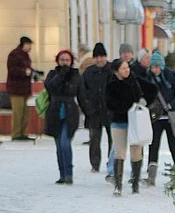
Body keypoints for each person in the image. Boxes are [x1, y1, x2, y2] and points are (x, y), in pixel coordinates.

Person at [105, 59, 158, 195]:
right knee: (120, 152)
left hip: (136, 122)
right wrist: (126, 107)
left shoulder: (135, 80)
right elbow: (110, 104)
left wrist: (144, 101)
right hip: (119, 121)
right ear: (116, 71)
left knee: (136, 152)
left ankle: (135, 183)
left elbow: (153, 89)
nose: (127, 70)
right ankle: (118, 185)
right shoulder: (111, 84)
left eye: (127, 67)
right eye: (123, 68)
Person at [44, 49, 92, 184]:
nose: (65, 62)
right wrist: (61, 75)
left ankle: (69, 173)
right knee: (59, 145)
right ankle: (62, 174)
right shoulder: (52, 74)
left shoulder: (76, 75)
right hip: (55, 111)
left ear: (71, 61)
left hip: (70, 112)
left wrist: (89, 114)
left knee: (65, 142)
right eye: (62, 60)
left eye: (67, 60)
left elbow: (82, 96)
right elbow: (50, 87)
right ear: (58, 61)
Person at [146, 51, 175, 185]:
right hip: (155, 117)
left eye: (157, 67)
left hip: (170, 116)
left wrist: (171, 104)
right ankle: (151, 176)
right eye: (152, 67)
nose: (154, 70)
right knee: (154, 145)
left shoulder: (170, 76)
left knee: (172, 146)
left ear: (162, 66)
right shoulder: (148, 77)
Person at [82, 42, 113, 173]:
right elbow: (83, 93)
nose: (99, 59)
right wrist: (87, 108)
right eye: (97, 57)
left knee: (113, 139)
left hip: (110, 111)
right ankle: (95, 164)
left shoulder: (112, 70)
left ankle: (112, 163)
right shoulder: (88, 72)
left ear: (106, 56)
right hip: (94, 112)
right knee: (94, 139)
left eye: (102, 56)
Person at [6, 36, 34, 141]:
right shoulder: (14, 54)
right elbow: (12, 69)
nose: (30, 47)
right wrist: (24, 72)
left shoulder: (26, 55)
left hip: (26, 88)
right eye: (29, 45)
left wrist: (33, 72)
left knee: (26, 113)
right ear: (24, 44)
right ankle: (16, 134)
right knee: (18, 112)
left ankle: (23, 132)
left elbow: (28, 69)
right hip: (16, 89)